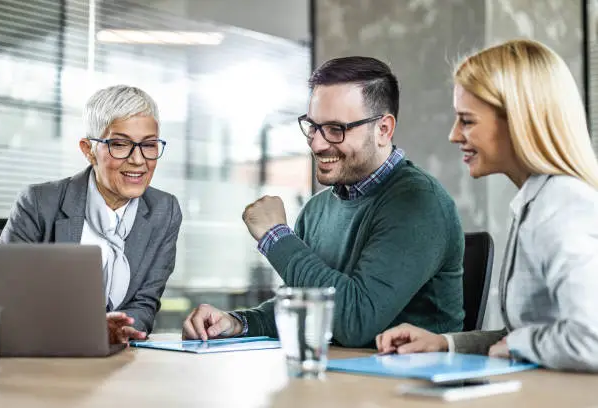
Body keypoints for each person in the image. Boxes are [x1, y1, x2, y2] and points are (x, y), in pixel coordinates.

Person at [182, 56, 465, 347]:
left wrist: (275, 237)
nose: (317, 143)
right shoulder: (317, 209)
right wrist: (237, 323)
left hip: (406, 386)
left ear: (383, 130)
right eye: (313, 126)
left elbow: (354, 321)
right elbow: (304, 310)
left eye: (335, 129)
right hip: (336, 381)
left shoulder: (418, 203)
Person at [376, 39, 598, 371]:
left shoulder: (560, 206)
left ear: (519, 121)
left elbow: (591, 339)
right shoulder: (536, 202)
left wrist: (518, 345)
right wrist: (445, 343)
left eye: (467, 121)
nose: (453, 135)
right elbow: (524, 337)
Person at [0, 85, 183, 345]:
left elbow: (145, 302)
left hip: (119, 356)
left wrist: (120, 330)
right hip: (45, 353)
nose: (138, 160)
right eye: (120, 144)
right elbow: (10, 298)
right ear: (88, 150)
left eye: (149, 145)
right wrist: (88, 329)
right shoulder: (39, 203)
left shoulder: (164, 210)